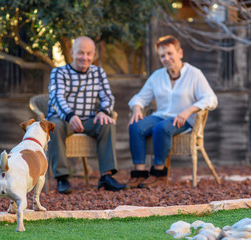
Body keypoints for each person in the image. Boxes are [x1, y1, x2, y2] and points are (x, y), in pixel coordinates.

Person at [127, 35, 218, 188]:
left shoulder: (194, 74)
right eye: (162, 56)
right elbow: (140, 98)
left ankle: (159, 174)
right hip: (161, 116)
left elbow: (211, 99)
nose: (166, 58)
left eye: (170, 53)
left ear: (180, 53)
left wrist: (189, 110)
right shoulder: (157, 76)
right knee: (135, 126)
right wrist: (137, 109)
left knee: (161, 128)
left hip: (185, 120)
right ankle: (140, 175)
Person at [46, 36, 127, 194]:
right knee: (55, 126)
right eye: (81, 53)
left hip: (88, 121)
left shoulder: (98, 72)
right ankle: (62, 178)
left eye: (89, 53)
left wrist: (103, 112)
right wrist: (70, 116)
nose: (85, 57)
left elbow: (108, 97)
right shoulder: (59, 72)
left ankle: (106, 177)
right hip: (64, 119)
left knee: (107, 123)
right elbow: (57, 98)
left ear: (94, 54)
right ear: (72, 52)